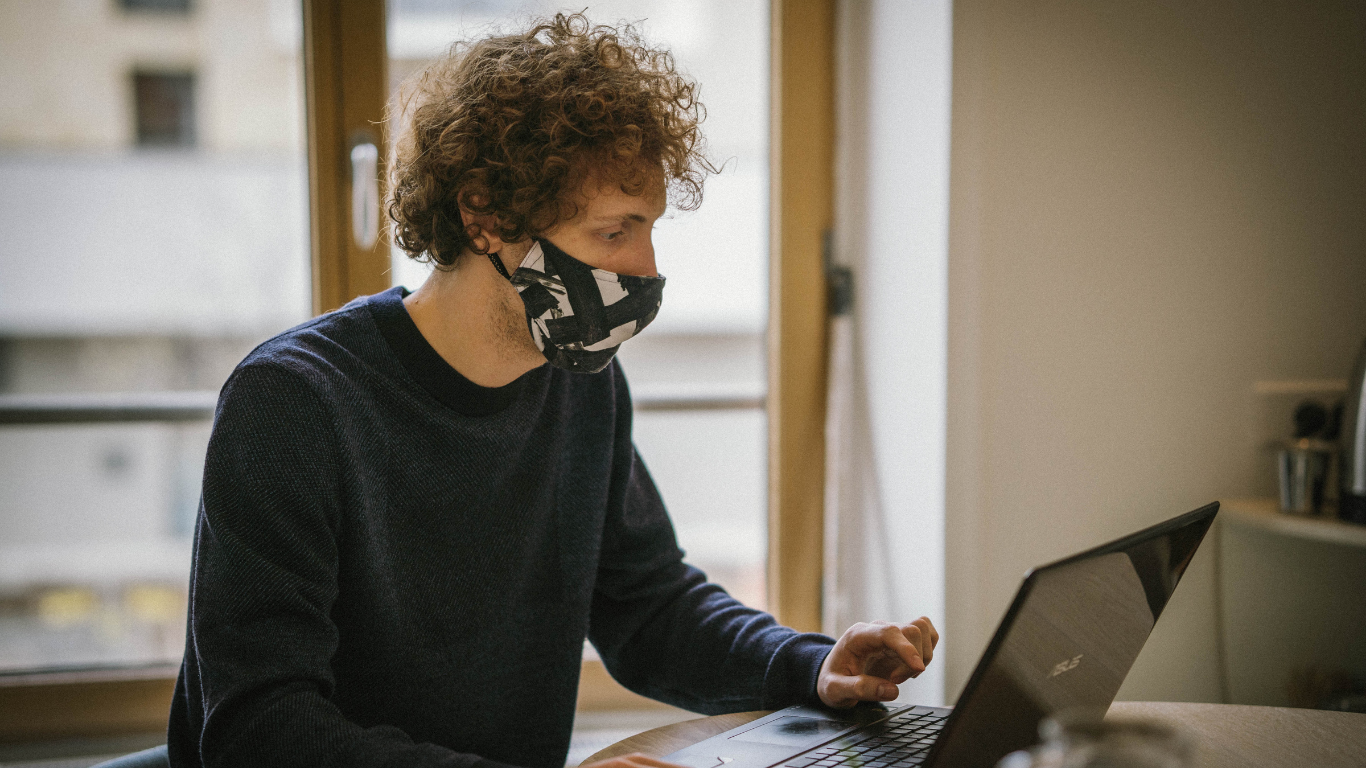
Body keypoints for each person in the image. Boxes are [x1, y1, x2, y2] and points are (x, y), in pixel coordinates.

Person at [165, 13, 937, 768]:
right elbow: (260, 729)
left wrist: (809, 666)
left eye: (649, 229)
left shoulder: (580, 384)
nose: (647, 268)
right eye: (614, 231)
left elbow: (650, 608)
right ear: (485, 215)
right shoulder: (293, 404)